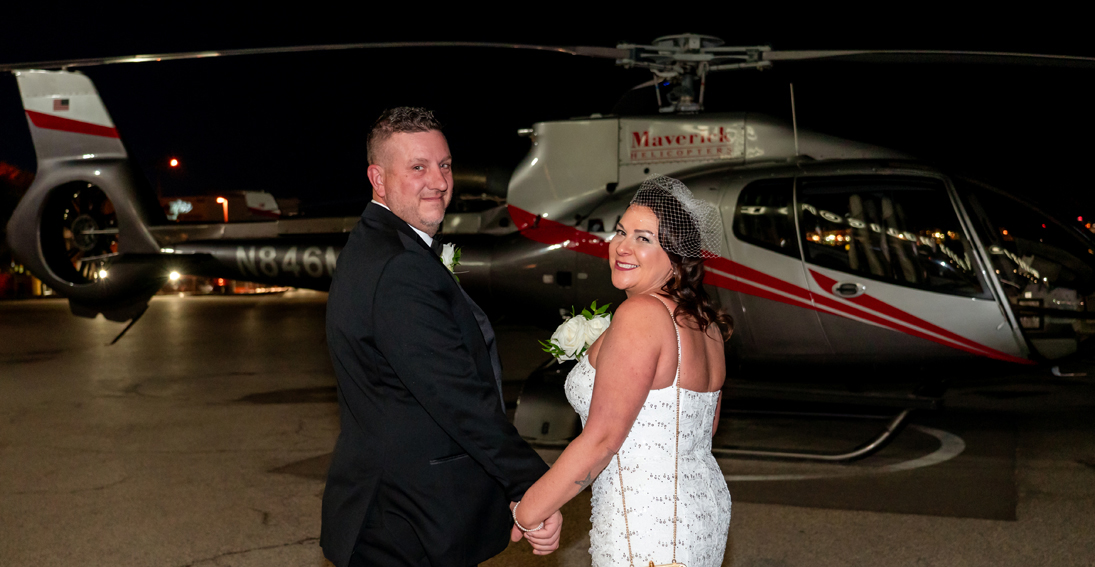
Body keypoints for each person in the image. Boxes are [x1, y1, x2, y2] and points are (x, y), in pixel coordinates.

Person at [321, 107, 561, 567]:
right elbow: (457, 396)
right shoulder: (399, 267)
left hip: (396, 510)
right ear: (378, 177)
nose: (439, 181)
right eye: (418, 167)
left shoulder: (380, 245)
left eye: (445, 165)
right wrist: (532, 486)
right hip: (406, 521)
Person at [511, 176, 733, 566]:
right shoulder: (705, 323)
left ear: (676, 255)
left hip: (648, 522)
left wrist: (527, 512)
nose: (622, 246)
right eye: (620, 231)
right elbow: (701, 429)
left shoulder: (640, 315)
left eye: (643, 238)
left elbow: (601, 441)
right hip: (701, 513)